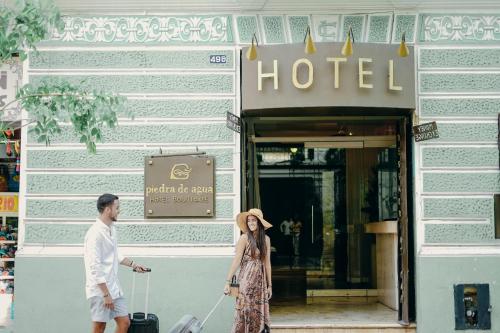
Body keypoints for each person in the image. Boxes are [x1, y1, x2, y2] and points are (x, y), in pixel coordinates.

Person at [84, 193, 148, 333]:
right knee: (99, 327)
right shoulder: (94, 234)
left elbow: (115, 255)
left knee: (124, 322)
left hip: (114, 288)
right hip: (101, 291)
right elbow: (94, 267)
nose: (119, 211)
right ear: (108, 210)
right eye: (117, 207)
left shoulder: (112, 229)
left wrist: (134, 265)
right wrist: (106, 295)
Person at [224, 208, 273, 333]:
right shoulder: (244, 238)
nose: (251, 223)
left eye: (253, 220)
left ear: (259, 223)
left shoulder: (266, 239)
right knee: (246, 310)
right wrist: (228, 281)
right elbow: (236, 261)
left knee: (257, 311)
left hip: (260, 283)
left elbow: (267, 264)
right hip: (245, 281)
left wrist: (269, 285)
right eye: (249, 220)